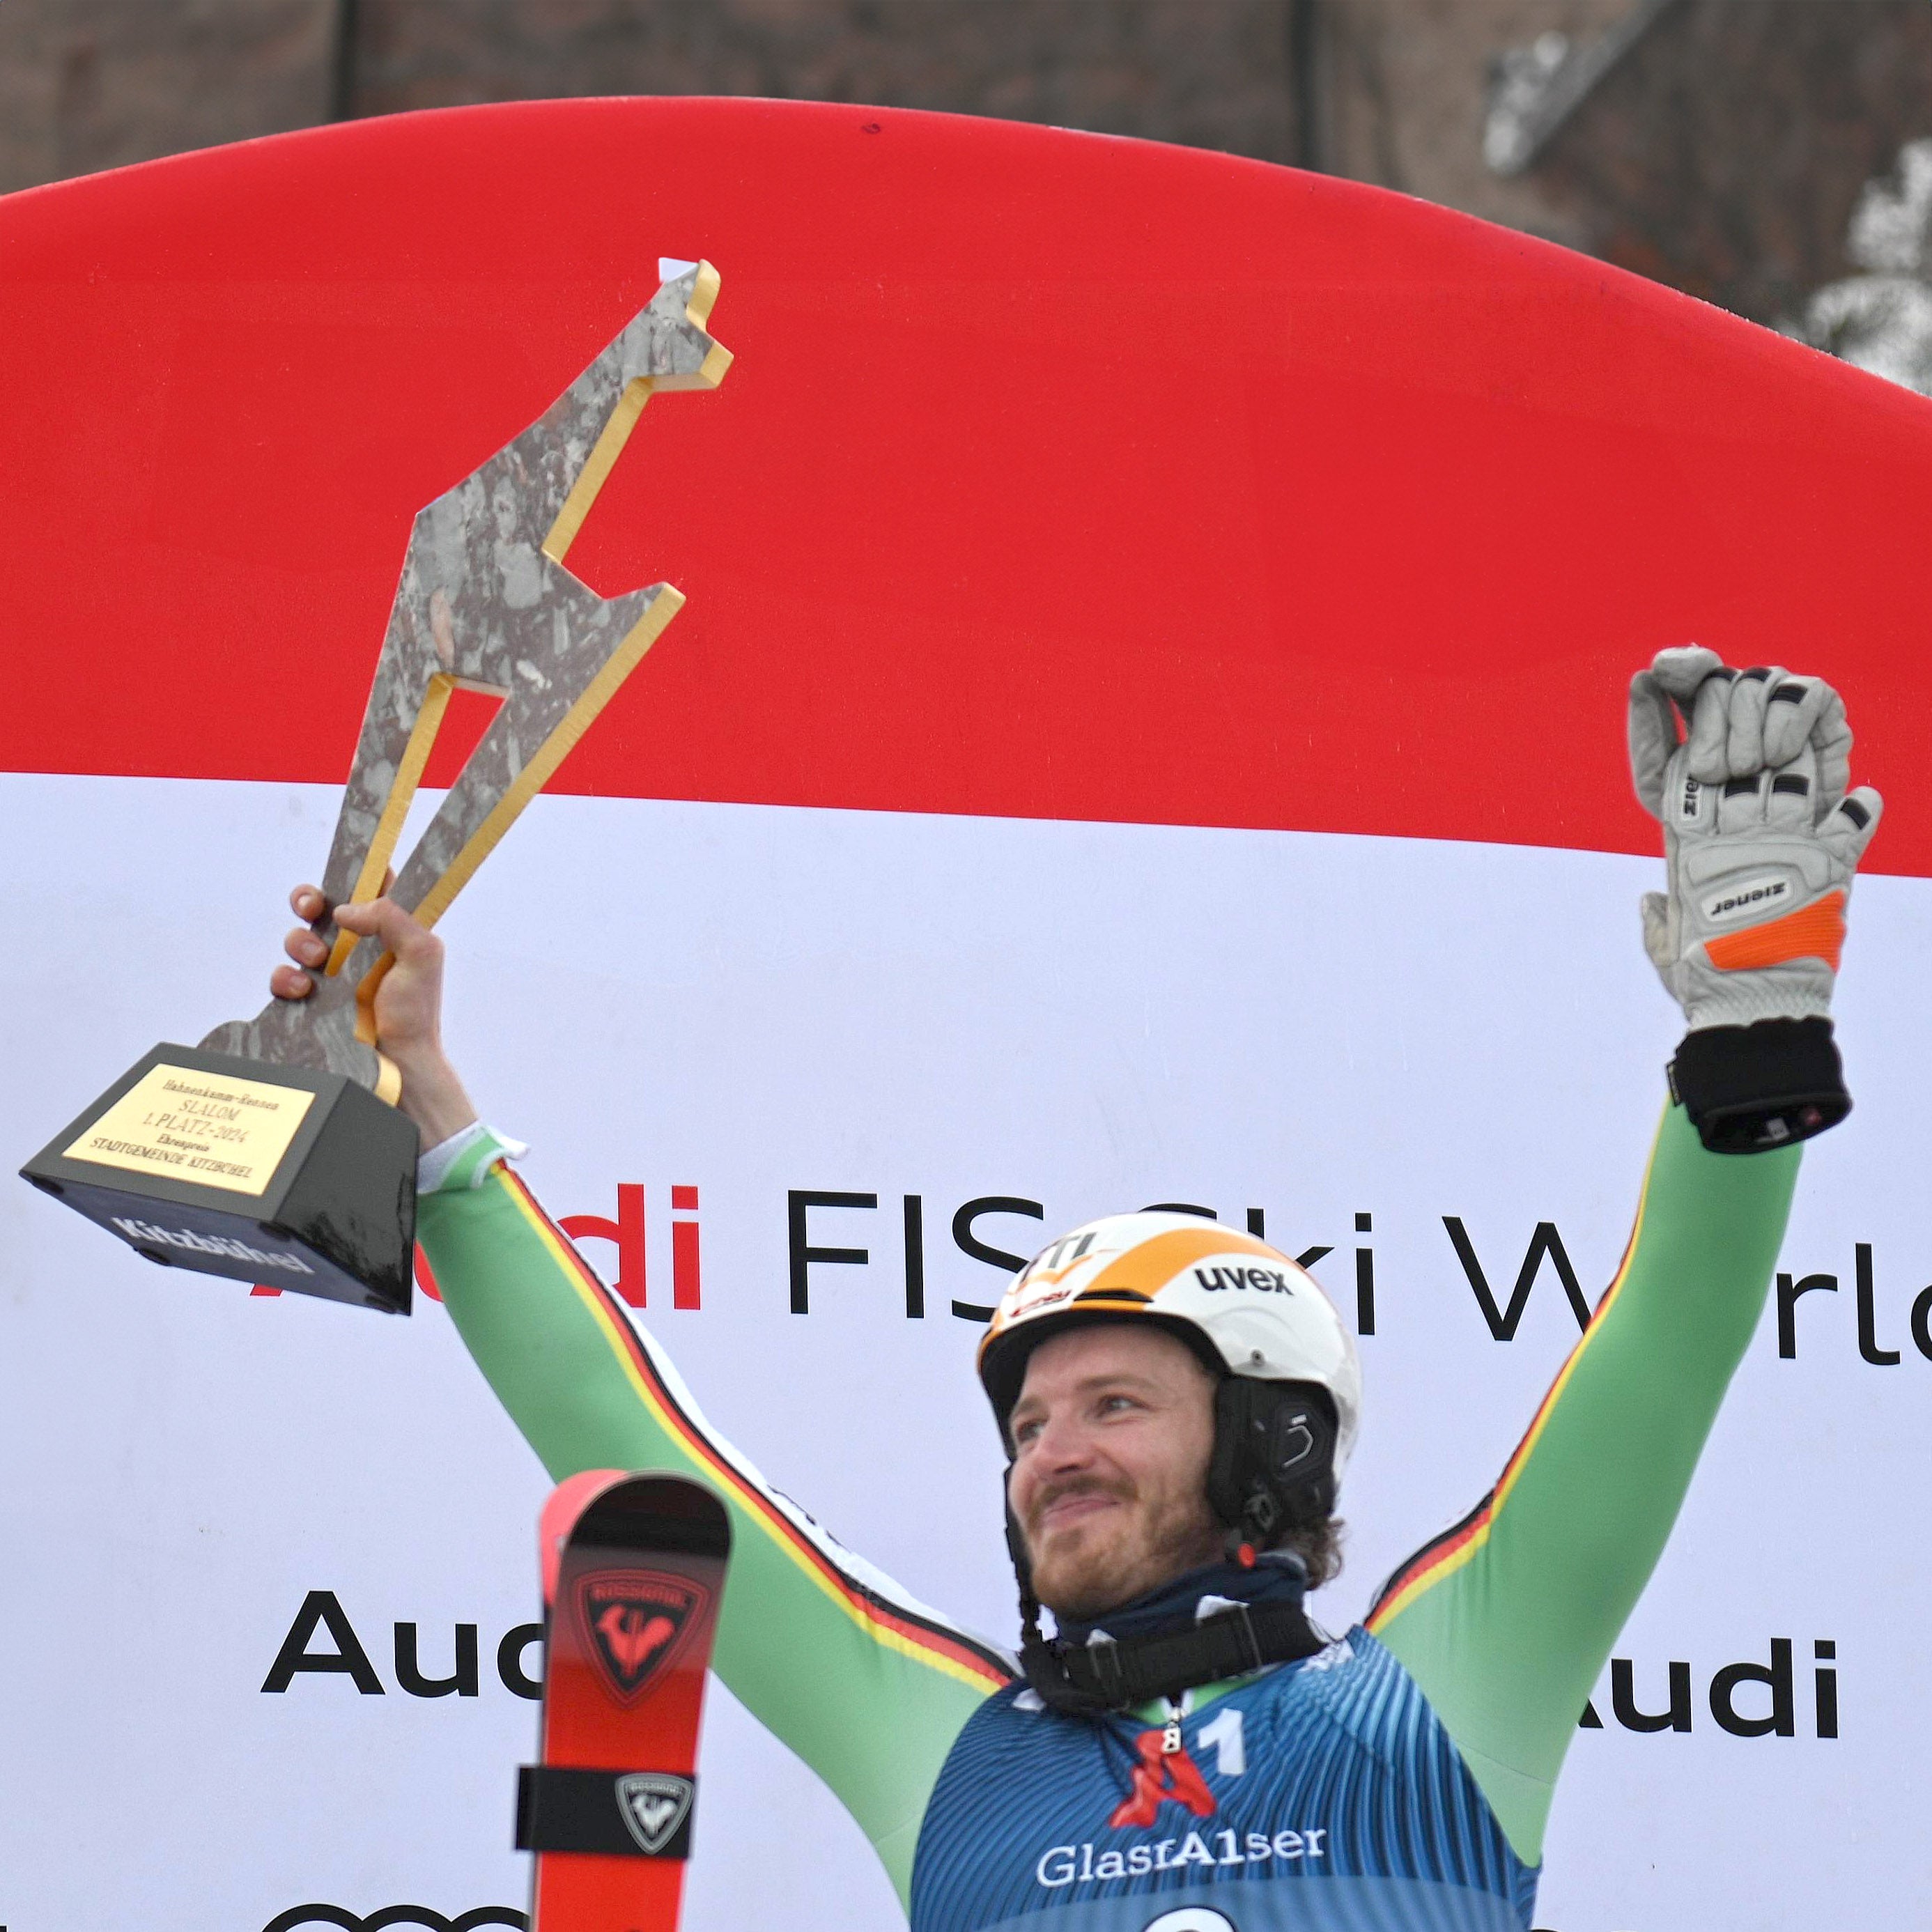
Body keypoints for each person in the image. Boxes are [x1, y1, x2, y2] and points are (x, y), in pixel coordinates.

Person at [270, 648, 1881, 1931]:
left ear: (1274, 1445)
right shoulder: (948, 1752)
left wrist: (1746, 1038)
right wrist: (417, 1088)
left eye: (1116, 1402)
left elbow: (1665, 1350)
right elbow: (633, 1450)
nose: (1051, 1451)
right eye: (1032, 1421)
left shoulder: (1448, 1683)